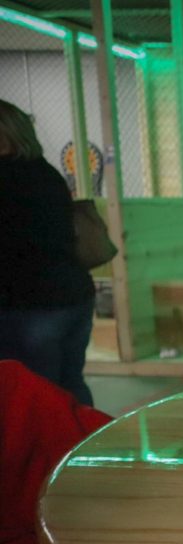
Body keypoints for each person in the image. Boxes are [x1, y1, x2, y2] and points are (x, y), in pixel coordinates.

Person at [0, 100, 96, 406]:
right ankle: (86, 448)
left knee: (37, 397)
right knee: (71, 384)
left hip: (30, 305)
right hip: (74, 296)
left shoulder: (6, 179)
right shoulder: (47, 174)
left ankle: (52, 454)